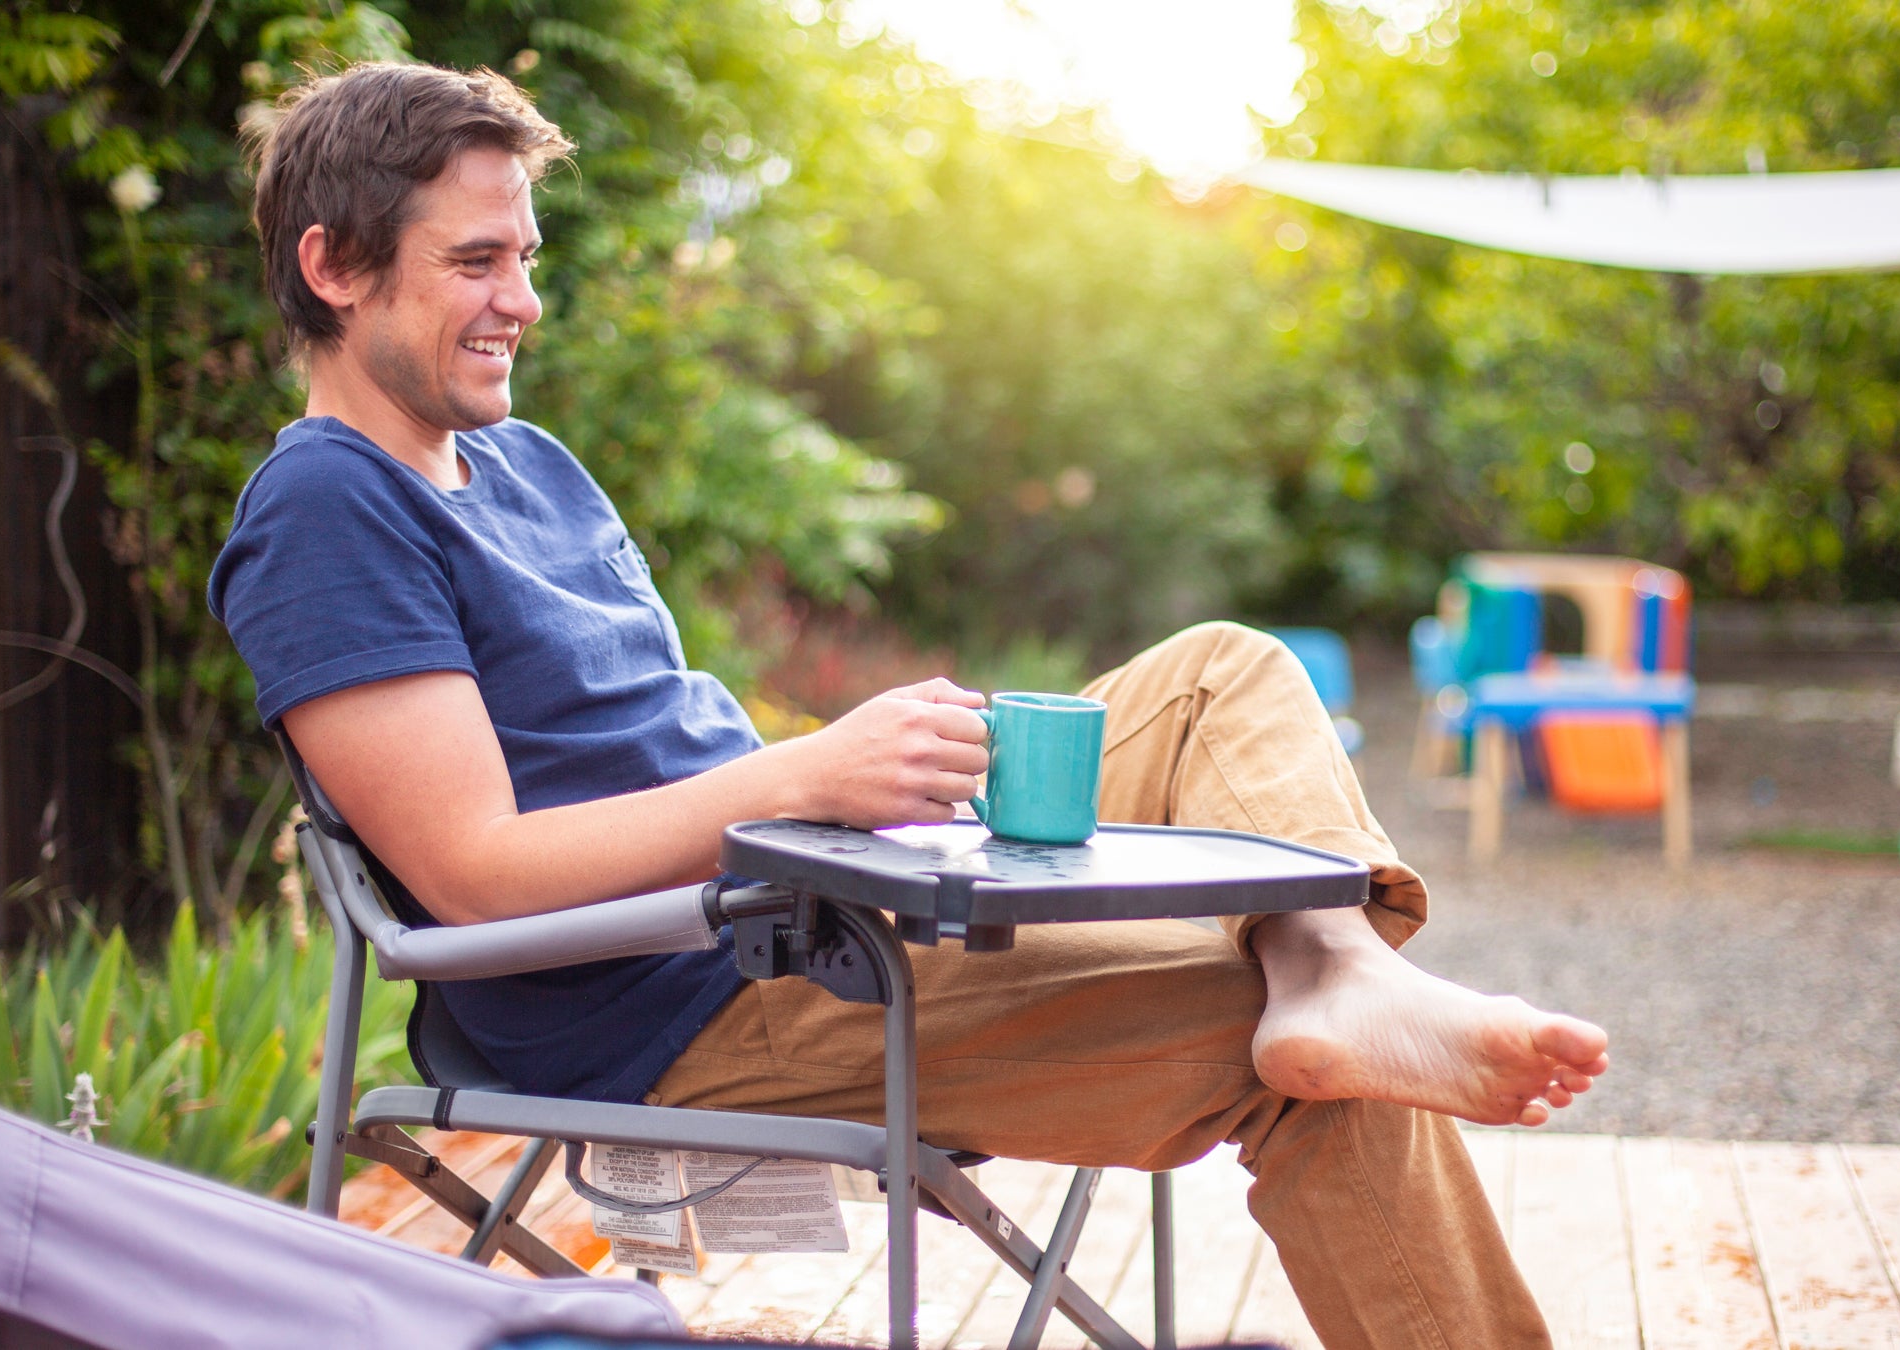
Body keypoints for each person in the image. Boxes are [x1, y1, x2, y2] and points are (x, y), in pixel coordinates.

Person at [209, 62, 1610, 1350]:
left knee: (1222, 674)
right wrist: (802, 779)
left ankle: (1339, 967)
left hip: (816, 897)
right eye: (475, 261)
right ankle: (1312, 991)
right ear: (332, 267)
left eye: (525, 255)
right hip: (699, 1001)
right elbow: (472, 873)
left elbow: (642, 740)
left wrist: (831, 786)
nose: (521, 298)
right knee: (1302, 1069)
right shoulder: (328, 507)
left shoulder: (528, 464)